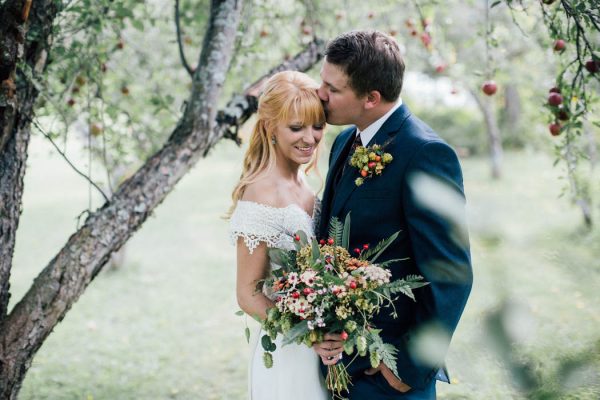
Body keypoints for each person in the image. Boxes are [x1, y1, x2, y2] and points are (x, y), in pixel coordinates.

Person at [313, 30, 473, 399]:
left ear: (371, 98)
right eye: (323, 82)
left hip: (389, 379)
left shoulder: (426, 154)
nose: (321, 94)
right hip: (341, 366)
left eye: (333, 89)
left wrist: (407, 366)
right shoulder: (344, 140)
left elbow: (453, 273)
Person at [228, 70, 328, 399]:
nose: (310, 138)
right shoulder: (261, 193)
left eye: (317, 125)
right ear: (271, 127)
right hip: (290, 351)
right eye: (296, 127)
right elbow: (248, 294)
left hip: (323, 348)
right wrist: (308, 335)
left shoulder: (302, 183)